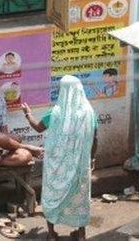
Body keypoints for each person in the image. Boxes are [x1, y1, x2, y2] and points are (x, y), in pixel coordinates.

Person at [22, 76, 98, 241]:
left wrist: (28, 114)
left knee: (52, 194)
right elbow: (95, 137)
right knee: (80, 196)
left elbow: (38, 127)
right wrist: (92, 158)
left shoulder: (55, 112)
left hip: (56, 164)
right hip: (80, 164)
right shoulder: (89, 112)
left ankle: (51, 233)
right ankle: (81, 233)